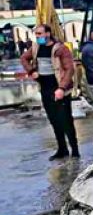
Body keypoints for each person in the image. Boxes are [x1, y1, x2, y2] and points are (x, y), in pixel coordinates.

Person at [21, 24, 79, 160]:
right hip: (45, 88)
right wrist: (31, 71)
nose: (38, 37)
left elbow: (69, 69)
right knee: (53, 120)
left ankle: (75, 150)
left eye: (40, 34)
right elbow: (24, 58)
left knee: (66, 120)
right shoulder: (36, 47)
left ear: (48, 33)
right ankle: (62, 149)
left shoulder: (60, 49)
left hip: (59, 89)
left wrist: (62, 88)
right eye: (36, 35)